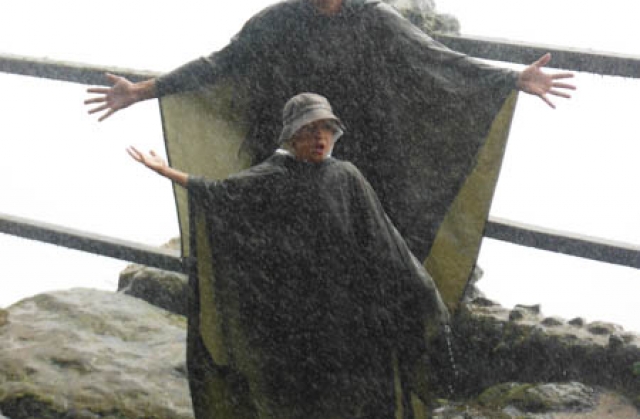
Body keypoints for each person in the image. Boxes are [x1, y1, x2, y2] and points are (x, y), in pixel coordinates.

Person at [85, 0, 575, 310]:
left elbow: (436, 61)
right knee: (301, 275)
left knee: (367, 274)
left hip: (368, 167)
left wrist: (512, 78)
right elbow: (219, 64)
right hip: (298, 161)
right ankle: (308, 400)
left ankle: (366, 388)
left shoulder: (376, 19)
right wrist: (142, 91)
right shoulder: (275, 22)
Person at [126, 92, 452, 419]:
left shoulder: (346, 176)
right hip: (296, 298)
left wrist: (412, 283)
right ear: (292, 136)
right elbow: (222, 194)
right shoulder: (274, 174)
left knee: (347, 373)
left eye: (326, 130)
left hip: (344, 296)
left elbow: (380, 233)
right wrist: (166, 171)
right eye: (310, 130)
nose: (320, 139)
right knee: (304, 376)